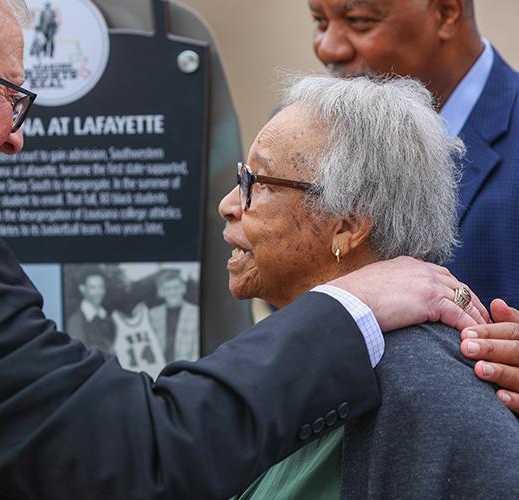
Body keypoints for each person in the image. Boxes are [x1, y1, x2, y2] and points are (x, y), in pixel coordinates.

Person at [0, 0, 485, 497]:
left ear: (352, 221)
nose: (17, 135)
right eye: (10, 96)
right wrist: (345, 308)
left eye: (256, 182)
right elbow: (144, 454)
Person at [220, 75, 519, 499]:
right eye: (241, 177)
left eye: (258, 183)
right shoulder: (306, 360)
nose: (229, 205)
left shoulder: (421, 385)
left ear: (347, 226)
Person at [307, 0, 519, 408]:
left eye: (358, 21)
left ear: (445, 12)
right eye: (319, 21)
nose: (329, 48)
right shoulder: (307, 137)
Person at [148, 269, 200, 362]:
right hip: (159, 370)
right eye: (168, 289)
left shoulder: (196, 313)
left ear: (183, 289)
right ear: (161, 292)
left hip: (186, 369)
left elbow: (197, 351)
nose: (173, 292)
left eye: (176, 287)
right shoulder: (152, 314)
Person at [65, 269, 115, 352]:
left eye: (101, 287)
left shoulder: (108, 317)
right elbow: (79, 355)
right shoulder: (76, 321)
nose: (98, 292)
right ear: (82, 289)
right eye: (93, 287)